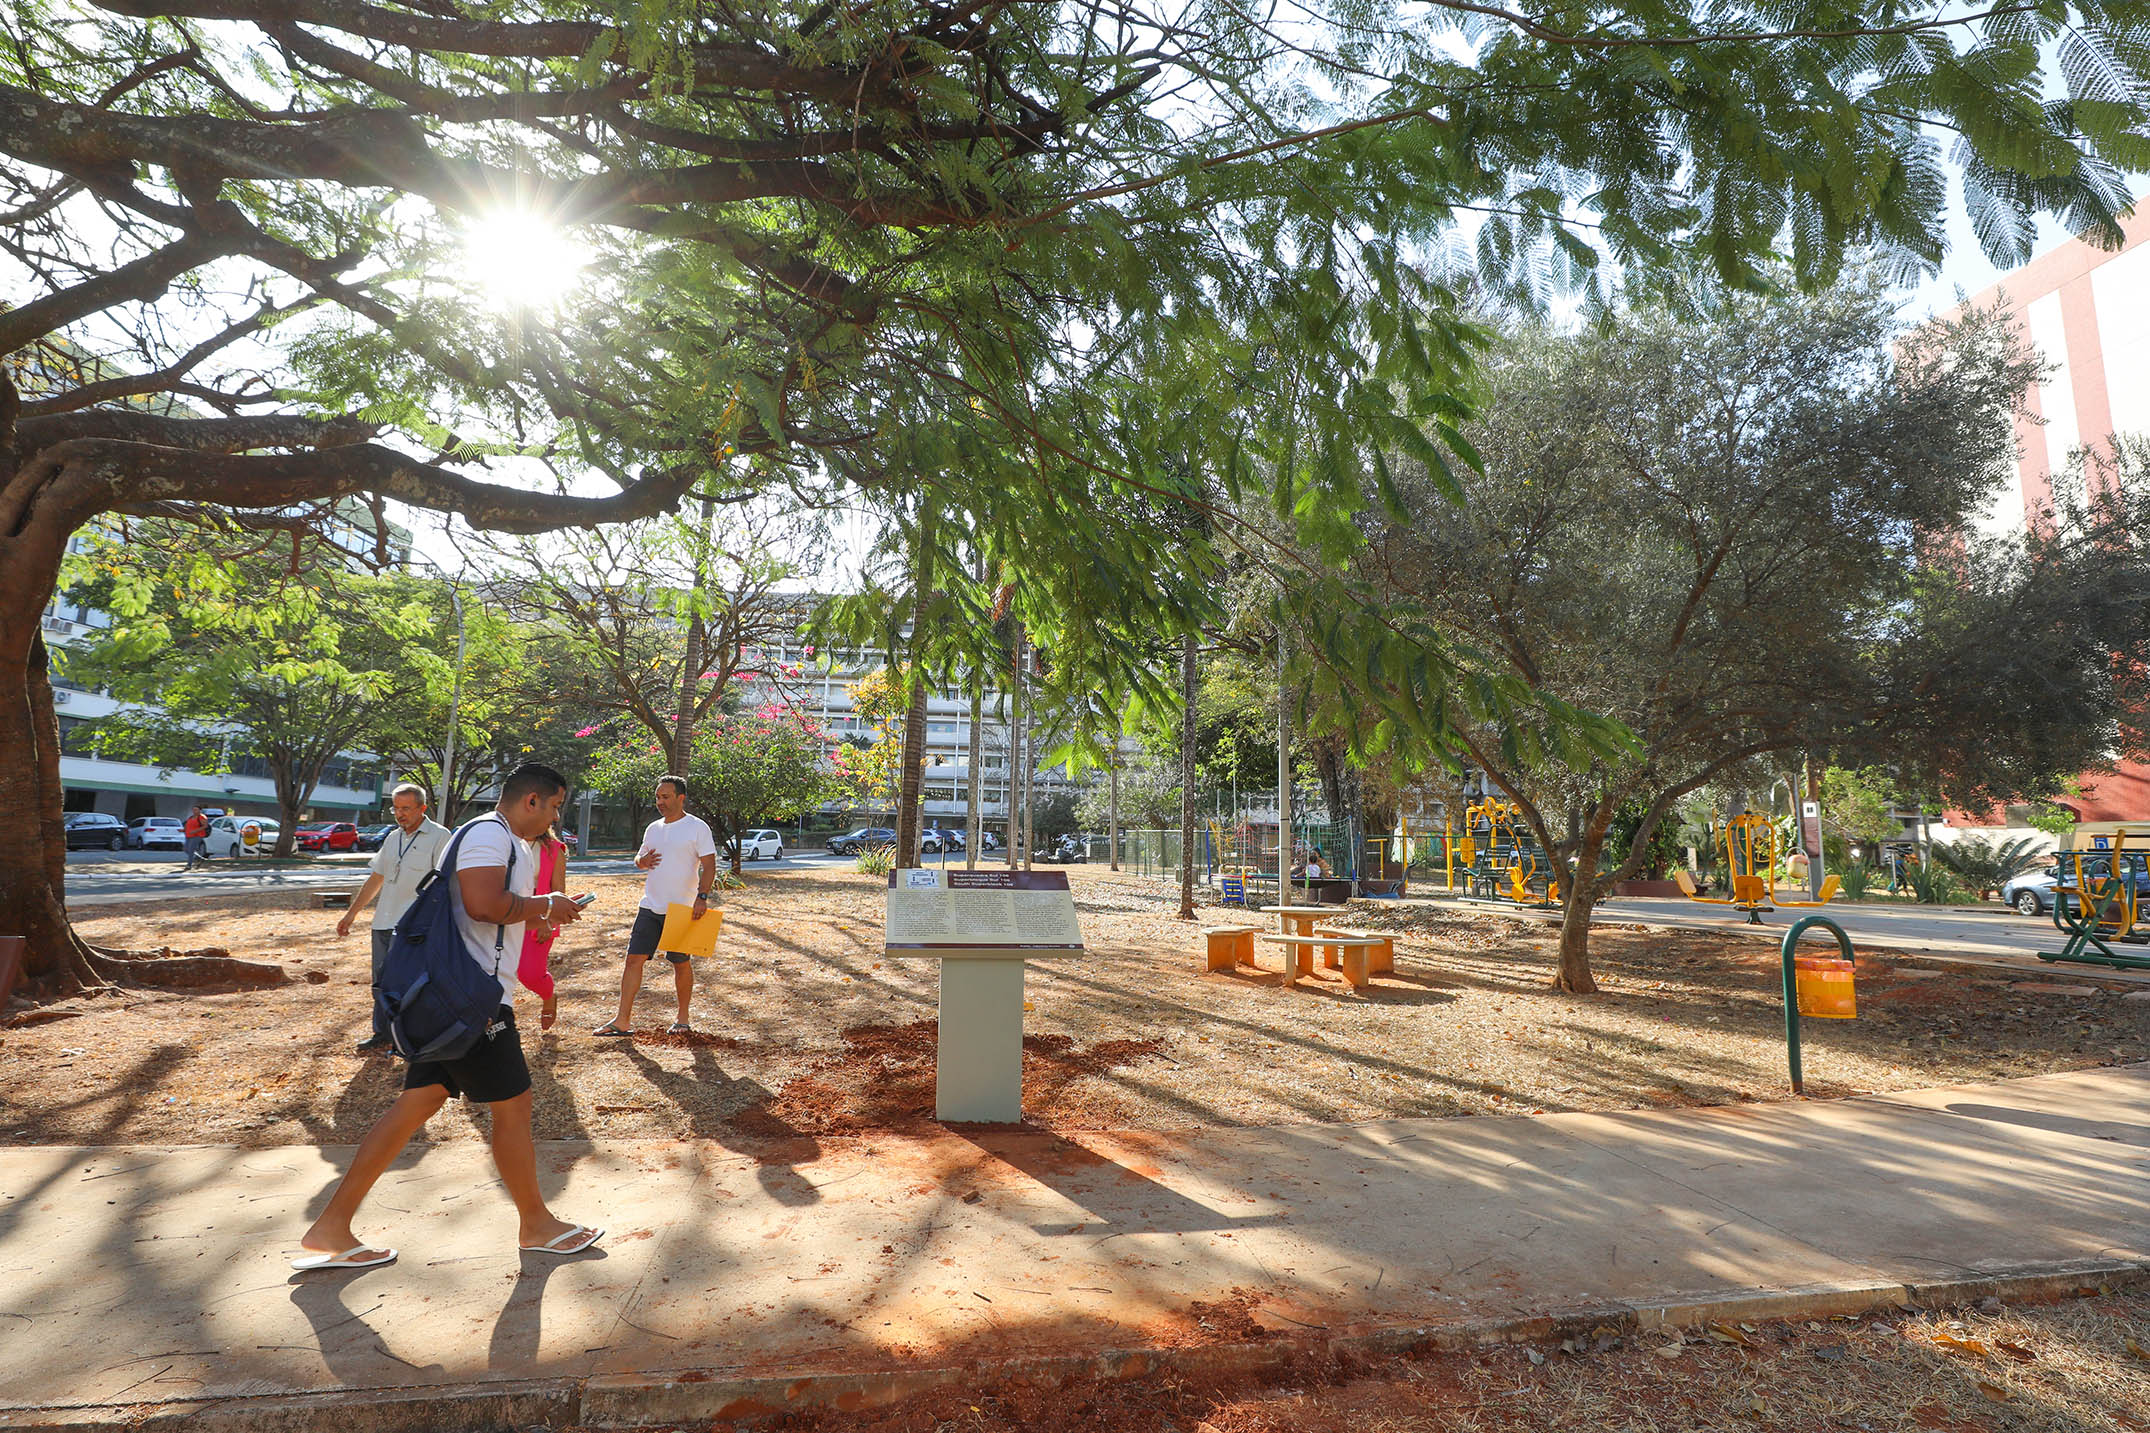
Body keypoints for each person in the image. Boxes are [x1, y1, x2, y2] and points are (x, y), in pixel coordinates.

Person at [294, 763, 601, 1271]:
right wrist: (544, 904)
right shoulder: (489, 835)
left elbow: (493, 908)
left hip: (457, 994)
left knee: (416, 1103)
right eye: (553, 805)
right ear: (531, 801)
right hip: (472, 998)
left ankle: (333, 1225)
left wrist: (543, 911)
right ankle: (536, 1225)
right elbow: (483, 905)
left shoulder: (509, 843)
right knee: (514, 1106)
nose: (554, 816)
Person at [594, 774, 717, 1038]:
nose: (660, 802)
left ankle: (682, 1019)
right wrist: (642, 860)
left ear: (680, 798)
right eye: (658, 797)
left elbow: (710, 865)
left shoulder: (697, 828)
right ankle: (622, 1020)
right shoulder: (653, 828)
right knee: (633, 959)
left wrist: (702, 897)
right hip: (650, 906)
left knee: (681, 963)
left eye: (665, 797)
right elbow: (639, 858)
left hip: (683, 909)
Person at [337, 783, 453, 1054]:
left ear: (422, 808)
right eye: (396, 809)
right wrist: (351, 914)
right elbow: (377, 878)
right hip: (384, 921)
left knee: (413, 983)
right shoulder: (392, 837)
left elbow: (443, 884)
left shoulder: (440, 836)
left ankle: (414, 1037)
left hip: (416, 925)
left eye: (406, 809)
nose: (400, 815)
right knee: (381, 982)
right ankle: (383, 1034)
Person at [516, 823, 570, 1032]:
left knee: (529, 974)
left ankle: (549, 995)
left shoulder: (554, 849)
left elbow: (559, 891)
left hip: (539, 917)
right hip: (505, 914)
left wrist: (549, 922)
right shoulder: (505, 842)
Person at [180, 805, 210, 872]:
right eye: (193, 809)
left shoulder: (202, 817)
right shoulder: (191, 817)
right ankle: (200, 858)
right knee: (185, 849)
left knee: (191, 850)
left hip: (197, 835)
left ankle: (189, 865)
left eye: (196, 809)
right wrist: (183, 830)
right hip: (188, 835)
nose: (194, 811)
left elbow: (205, 826)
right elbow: (188, 825)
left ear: (200, 810)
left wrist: (196, 830)